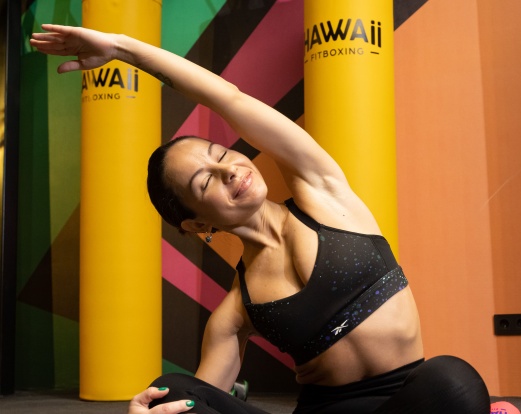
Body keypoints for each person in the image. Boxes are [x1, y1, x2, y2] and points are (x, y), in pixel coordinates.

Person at [30, 24, 491, 414]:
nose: (229, 170)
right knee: (171, 393)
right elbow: (205, 400)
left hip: (409, 403)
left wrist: (123, 48)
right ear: (196, 224)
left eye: (220, 153)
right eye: (205, 182)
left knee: (453, 382)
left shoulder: (323, 191)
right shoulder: (236, 311)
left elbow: (227, 98)